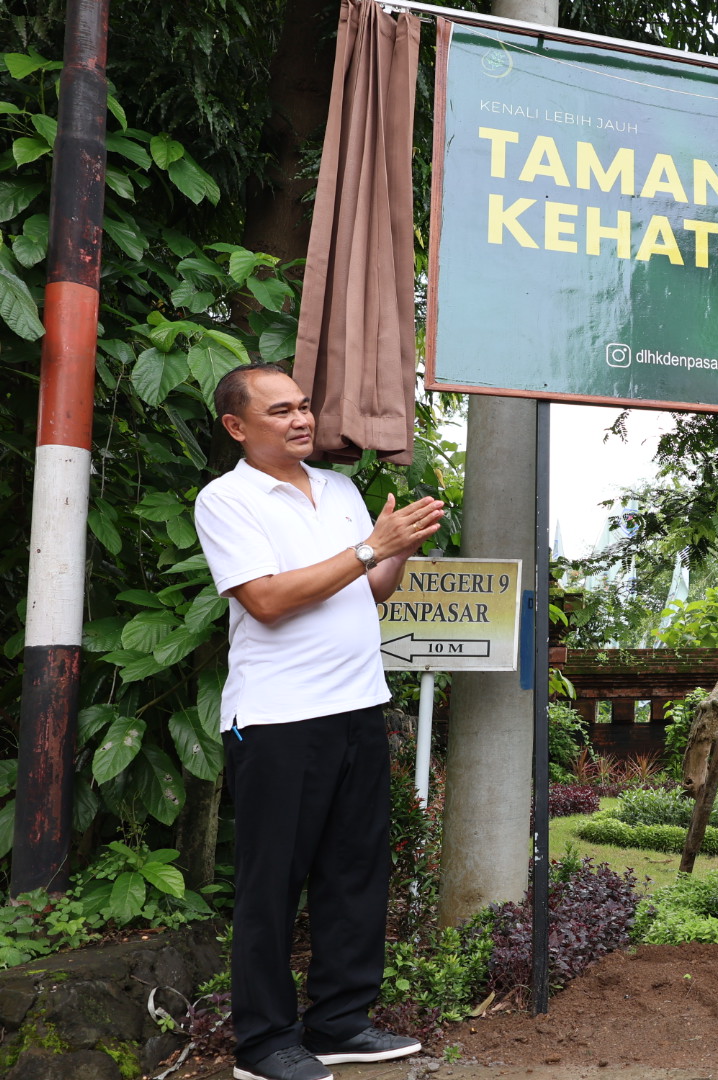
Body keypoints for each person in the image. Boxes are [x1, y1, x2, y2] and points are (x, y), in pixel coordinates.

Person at [196, 364, 445, 1080]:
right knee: (272, 885)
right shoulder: (227, 500)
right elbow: (267, 600)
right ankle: (263, 1044)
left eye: (304, 406)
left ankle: (339, 1023)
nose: (302, 419)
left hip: (358, 706)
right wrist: (370, 547)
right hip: (278, 719)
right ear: (237, 426)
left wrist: (398, 547)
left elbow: (373, 589)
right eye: (280, 411)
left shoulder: (338, 489)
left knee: (354, 873)